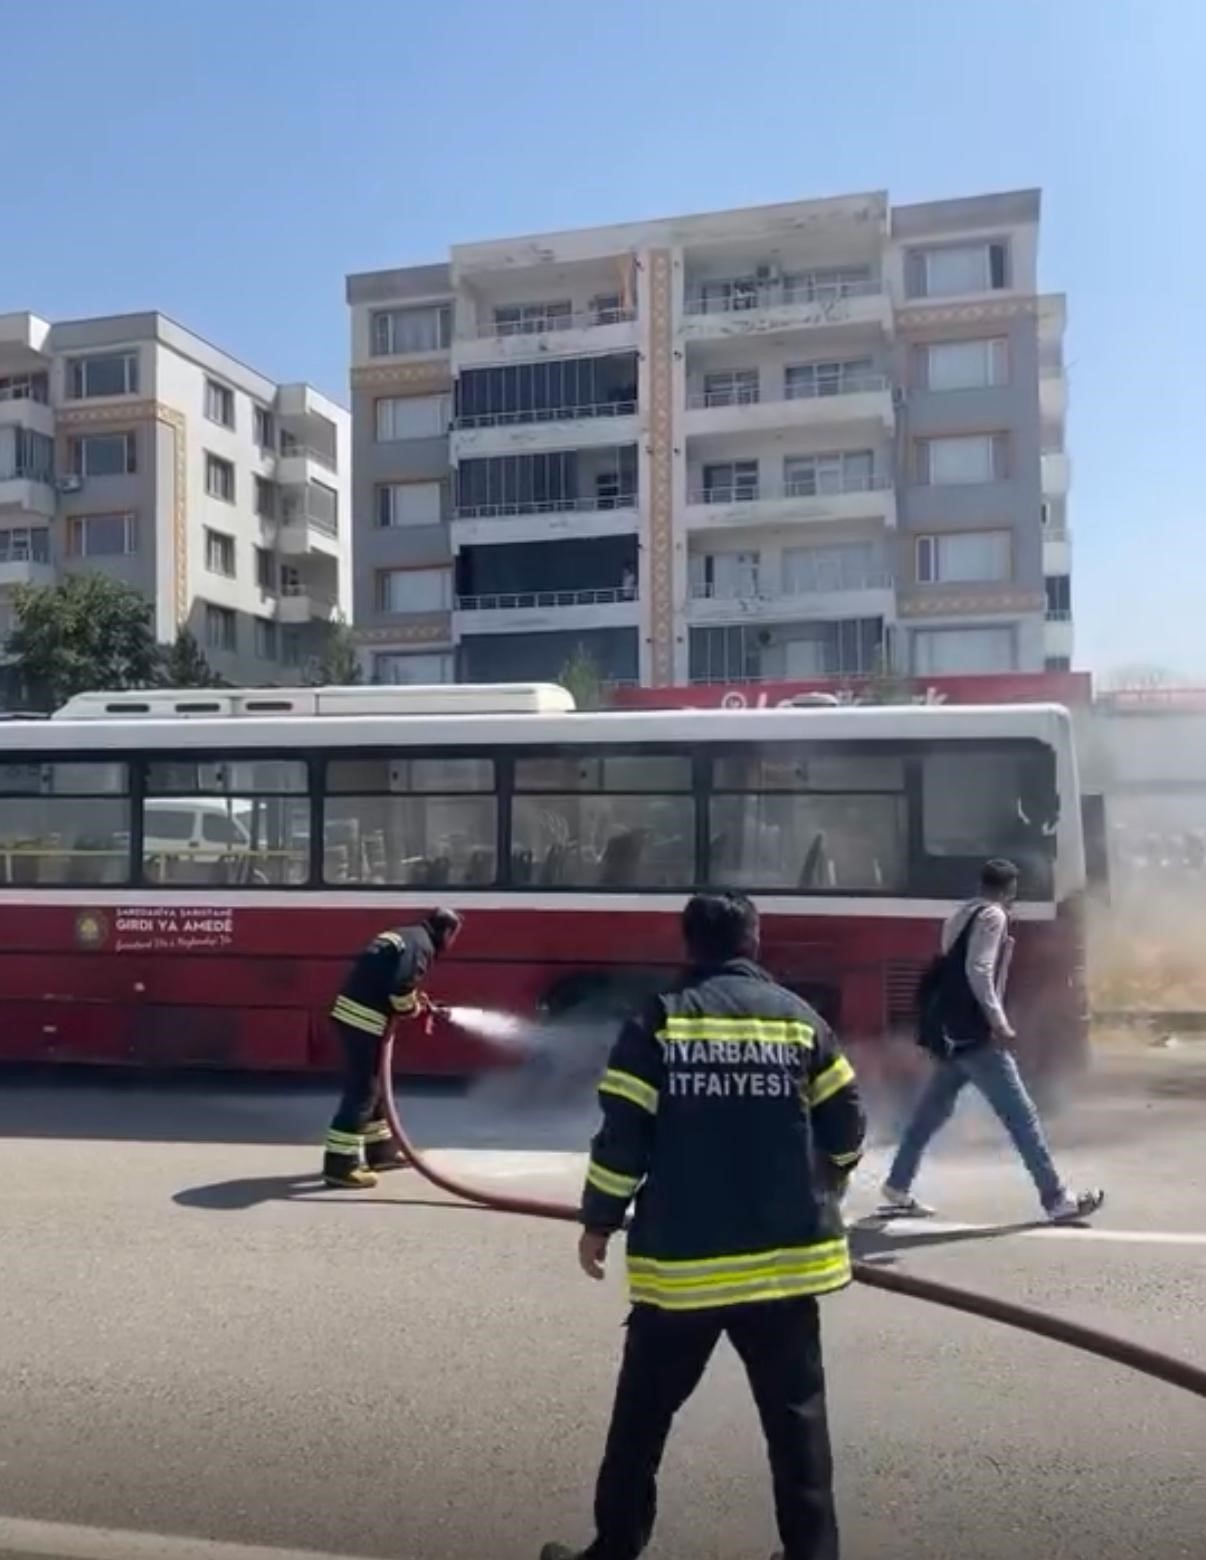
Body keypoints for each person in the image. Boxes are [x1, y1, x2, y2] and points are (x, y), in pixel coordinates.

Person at [541, 891, 864, 1560]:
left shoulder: (659, 1022)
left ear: (689, 945)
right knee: (796, 1424)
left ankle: (615, 1550)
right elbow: (848, 1123)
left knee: (641, 1424)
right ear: (754, 941)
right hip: (786, 1267)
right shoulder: (799, 1020)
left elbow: (622, 1138)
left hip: (685, 1272)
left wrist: (598, 1221)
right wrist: (834, 1174)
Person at [881, 859, 1104, 1223]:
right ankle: (1056, 1199)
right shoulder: (993, 916)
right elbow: (978, 970)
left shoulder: (959, 915)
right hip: (976, 1035)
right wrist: (998, 1021)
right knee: (1022, 1117)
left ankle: (897, 1184)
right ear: (1011, 888)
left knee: (929, 1115)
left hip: (952, 1033)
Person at [321, 908, 462, 1189]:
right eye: (453, 936)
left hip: (355, 1014)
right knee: (363, 1091)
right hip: (363, 1020)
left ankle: (380, 1151)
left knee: (374, 1088)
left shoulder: (406, 935)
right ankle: (340, 1164)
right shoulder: (422, 945)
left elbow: (391, 978)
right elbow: (401, 987)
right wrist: (411, 1008)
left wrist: (412, 1002)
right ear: (446, 931)